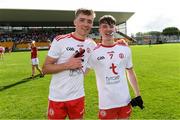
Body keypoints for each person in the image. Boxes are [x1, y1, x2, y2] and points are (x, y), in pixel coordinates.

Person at [42, 8, 96, 119]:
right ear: (75, 22)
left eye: (89, 21)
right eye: (82, 20)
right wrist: (67, 65)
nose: (86, 24)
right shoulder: (60, 40)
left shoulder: (92, 44)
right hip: (57, 97)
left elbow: (106, 50)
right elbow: (45, 69)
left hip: (78, 96)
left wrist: (120, 43)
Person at [87, 15, 144, 119]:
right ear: (99, 30)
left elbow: (130, 72)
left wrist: (138, 94)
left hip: (125, 102)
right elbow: (83, 72)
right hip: (106, 103)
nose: (108, 29)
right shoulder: (93, 52)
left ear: (115, 29)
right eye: (104, 26)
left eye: (111, 26)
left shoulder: (125, 49)